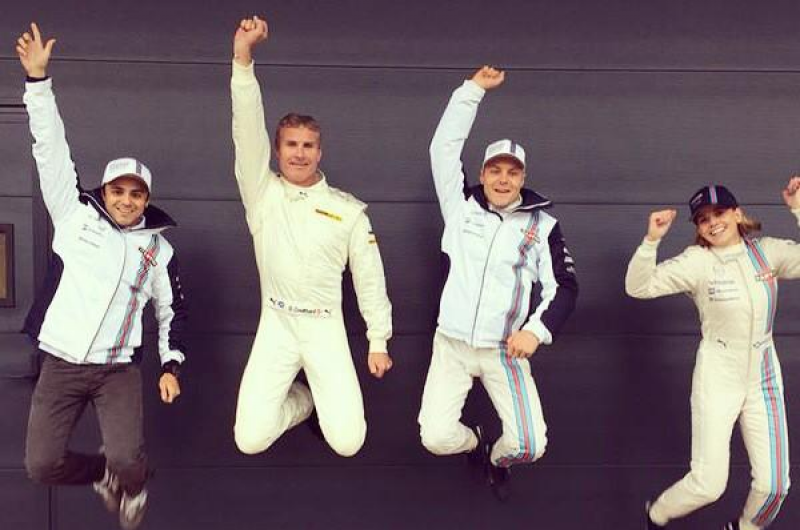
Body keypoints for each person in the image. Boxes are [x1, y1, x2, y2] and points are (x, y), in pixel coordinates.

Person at [15, 23, 187, 530]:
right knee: (41, 465)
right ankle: (102, 474)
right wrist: (38, 82)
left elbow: (172, 310)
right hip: (62, 365)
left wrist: (171, 365)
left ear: (146, 199)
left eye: (136, 194)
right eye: (118, 191)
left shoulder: (158, 249)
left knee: (130, 459)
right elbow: (50, 150)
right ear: (103, 191)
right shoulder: (73, 216)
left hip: (116, 371)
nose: (126, 201)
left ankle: (126, 476)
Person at [230, 16, 393, 458]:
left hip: (325, 326)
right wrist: (242, 60)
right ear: (277, 150)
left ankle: (318, 399)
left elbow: (370, 277)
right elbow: (246, 131)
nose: (299, 153)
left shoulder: (348, 210)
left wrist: (378, 340)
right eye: (290, 144)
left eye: (307, 145)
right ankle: (303, 401)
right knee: (249, 439)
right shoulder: (262, 195)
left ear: (319, 152)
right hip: (277, 322)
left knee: (348, 442)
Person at [418, 66, 578, 500]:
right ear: (483, 174)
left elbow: (564, 286)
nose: (503, 179)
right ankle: (475, 442)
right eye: (495, 170)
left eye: (512, 172)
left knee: (530, 446)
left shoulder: (542, 225)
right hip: (452, 345)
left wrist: (535, 331)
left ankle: (496, 459)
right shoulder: (460, 207)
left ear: (522, 178)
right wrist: (472, 91)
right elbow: (442, 148)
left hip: (504, 350)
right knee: (435, 437)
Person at [626, 180, 800, 529]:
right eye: (703, 219)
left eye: (719, 213)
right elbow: (638, 286)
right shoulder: (697, 262)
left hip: (763, 376)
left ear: (737, 214)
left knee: (774, 486)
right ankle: (656, 514)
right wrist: (651, 241)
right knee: (708, 485)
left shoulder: (766, 252)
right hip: (718, 375)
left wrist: (798, 208)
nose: (712, 223)